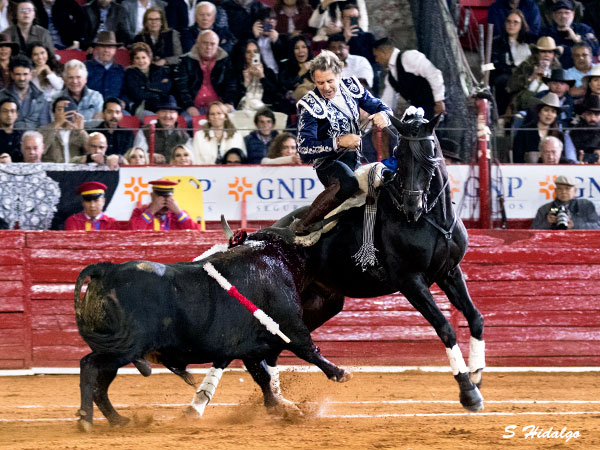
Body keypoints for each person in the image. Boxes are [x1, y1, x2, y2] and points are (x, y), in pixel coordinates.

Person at [294, 50, 391, 235]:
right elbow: (304, 149)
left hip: (354, 161)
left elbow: (382, 107)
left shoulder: (352, 86)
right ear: (314, 81)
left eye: (330, 81)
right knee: (349, 183)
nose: (326, 87)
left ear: (340, 75)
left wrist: (383, 115)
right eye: (320, 83)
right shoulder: (309, 105)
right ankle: (303, 225)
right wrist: (339, 142)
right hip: (328, 165)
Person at [373, 37, 445, 119]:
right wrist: (381, 116)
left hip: (437, 107)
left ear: (384, 52)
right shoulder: (390, 78)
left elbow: (433, 74)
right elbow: (388, 100)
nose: (377, 60)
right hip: (419, 111)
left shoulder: (408, 57)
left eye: (376, 56)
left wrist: (439, 101)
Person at [172, 29, 237, 119]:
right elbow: (181, 87)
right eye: (205, 43)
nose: (208, 47)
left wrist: (228, 103)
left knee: (235, 120)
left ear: (217, 46)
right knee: (187, 121)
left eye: (212, 44)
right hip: (194, 108)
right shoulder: (185, 61)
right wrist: (189, 106)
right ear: (197, 44)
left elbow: (231, 85)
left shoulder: (225, 61)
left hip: (219, 107)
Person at [491, 9, 533, 115]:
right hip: (505, 76)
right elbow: (487, 66)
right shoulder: (496, 42)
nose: (511, 25)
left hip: (527, 75)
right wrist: (509, 70)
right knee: (502, 81)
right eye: (508, 22)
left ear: (521, 25)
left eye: (515, 22)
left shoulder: (529, 42)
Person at [507, 36, 563, 113]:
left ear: (553, 55)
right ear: (537, 54)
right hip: (526, 103)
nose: (547, 55)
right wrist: (531, 77)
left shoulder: (557, 69)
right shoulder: (526, 66)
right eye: (543, 51)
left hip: (550, 104)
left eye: (550, 52)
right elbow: (511, 86)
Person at [539, 0, 599, 69]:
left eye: (567, 13)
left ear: (573, 14)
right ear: (553, 15)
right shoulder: (546, 32)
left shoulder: (583, 29)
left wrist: (577, 39)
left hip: (581, 70)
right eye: (559, 13)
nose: (563, 16)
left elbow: (595, 49)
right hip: (556, 71)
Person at [133, 95, 191, 163]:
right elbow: (137, 155)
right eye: (164, 111)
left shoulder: (185, 136)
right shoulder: (144, 131)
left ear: (177, 115)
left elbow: (190, 158)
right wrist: (150, 156)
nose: (167, 115)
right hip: (150, 171)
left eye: (171, 112)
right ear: (157, 114)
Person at [512, 92, 566, 162]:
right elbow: (517, 157)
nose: (549, 114)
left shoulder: (559, 135)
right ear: (539, 112)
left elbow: (561, 158)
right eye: (546, 110)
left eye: (553, 111)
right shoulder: (525, 131)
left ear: (556, 115)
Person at [0, 55, 51, 130]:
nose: (22, 78)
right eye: (18, 74)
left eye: (25, 74)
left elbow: (45, 125)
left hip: (34, 138)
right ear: (12, 75)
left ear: (31, 74)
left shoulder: (41, 97)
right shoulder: (1, 95)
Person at [531, 174, 600, 229]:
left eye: (567, 189)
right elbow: (533, 230)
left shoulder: (585, 205)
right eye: (560, 189)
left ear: (575, 191)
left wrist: (575, 225)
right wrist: (547, 223)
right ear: (555, 191)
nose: (563, 192)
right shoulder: (545, 209)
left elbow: (597, 226)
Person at [122, 42, 172, 116]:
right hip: (142, 107)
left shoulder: (159, 70)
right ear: (133, 60)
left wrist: (145, 87)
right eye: (137, 58)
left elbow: (166, 88)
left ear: (149, 58)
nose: (141, 61)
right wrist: (157, 91)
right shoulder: (129, 73)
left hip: (161, 106)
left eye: (144, 57)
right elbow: (137, 94)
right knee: (154, 117)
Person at [128, 178, 199, 230]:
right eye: (160, 197)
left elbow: (197, 232)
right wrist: (151, 211)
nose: (164, 202)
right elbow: (132, 231)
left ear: (172, 197)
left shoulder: (179, 215)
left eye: (167, 197)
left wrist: (178, 212)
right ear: (152, 196)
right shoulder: (139, 212)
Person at [235, 40, 283, 113]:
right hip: (244, 110)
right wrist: (245, 83)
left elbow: (276, 96)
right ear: (244, 54)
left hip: (265, 111)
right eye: (248, 52)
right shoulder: (238, 73)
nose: (252, 55)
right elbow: (235, 100)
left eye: (255, 51)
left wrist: (262, 77)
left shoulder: (268, 72)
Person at [40, 96, 88, 163]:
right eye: (60, 109)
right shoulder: (44, 130)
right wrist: (56, 125)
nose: (63, 112)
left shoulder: (78, 130)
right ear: (54, 113)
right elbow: (40, 151)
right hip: (53, 169)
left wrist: (81, 131)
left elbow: (89, 151)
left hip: (75, 169)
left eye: (67, 109)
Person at [85, 31, 125, 101]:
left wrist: (123, 101)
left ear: (115, 50)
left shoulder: (121, 70)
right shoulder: (85, 67)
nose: (106, 50)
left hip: (115, 109)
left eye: (110, 47)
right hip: (91, 108)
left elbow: (126, 91)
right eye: (103, 46)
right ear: (96, 49)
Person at [278, 35, 313, 109]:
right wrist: (301, 72)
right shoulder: (286, 65)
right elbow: (285, 86)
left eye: (304, 47)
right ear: (292, 51)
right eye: (297, 48)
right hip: (294, 99)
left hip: (314, 96)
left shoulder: (314, 64)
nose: (301, 51)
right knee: (305, 92)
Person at [566, 95, 600, 162]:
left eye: (596, 114)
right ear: (583, 115)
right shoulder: (574, 132)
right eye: (589, 114)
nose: (592, 118)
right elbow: (571, 156)